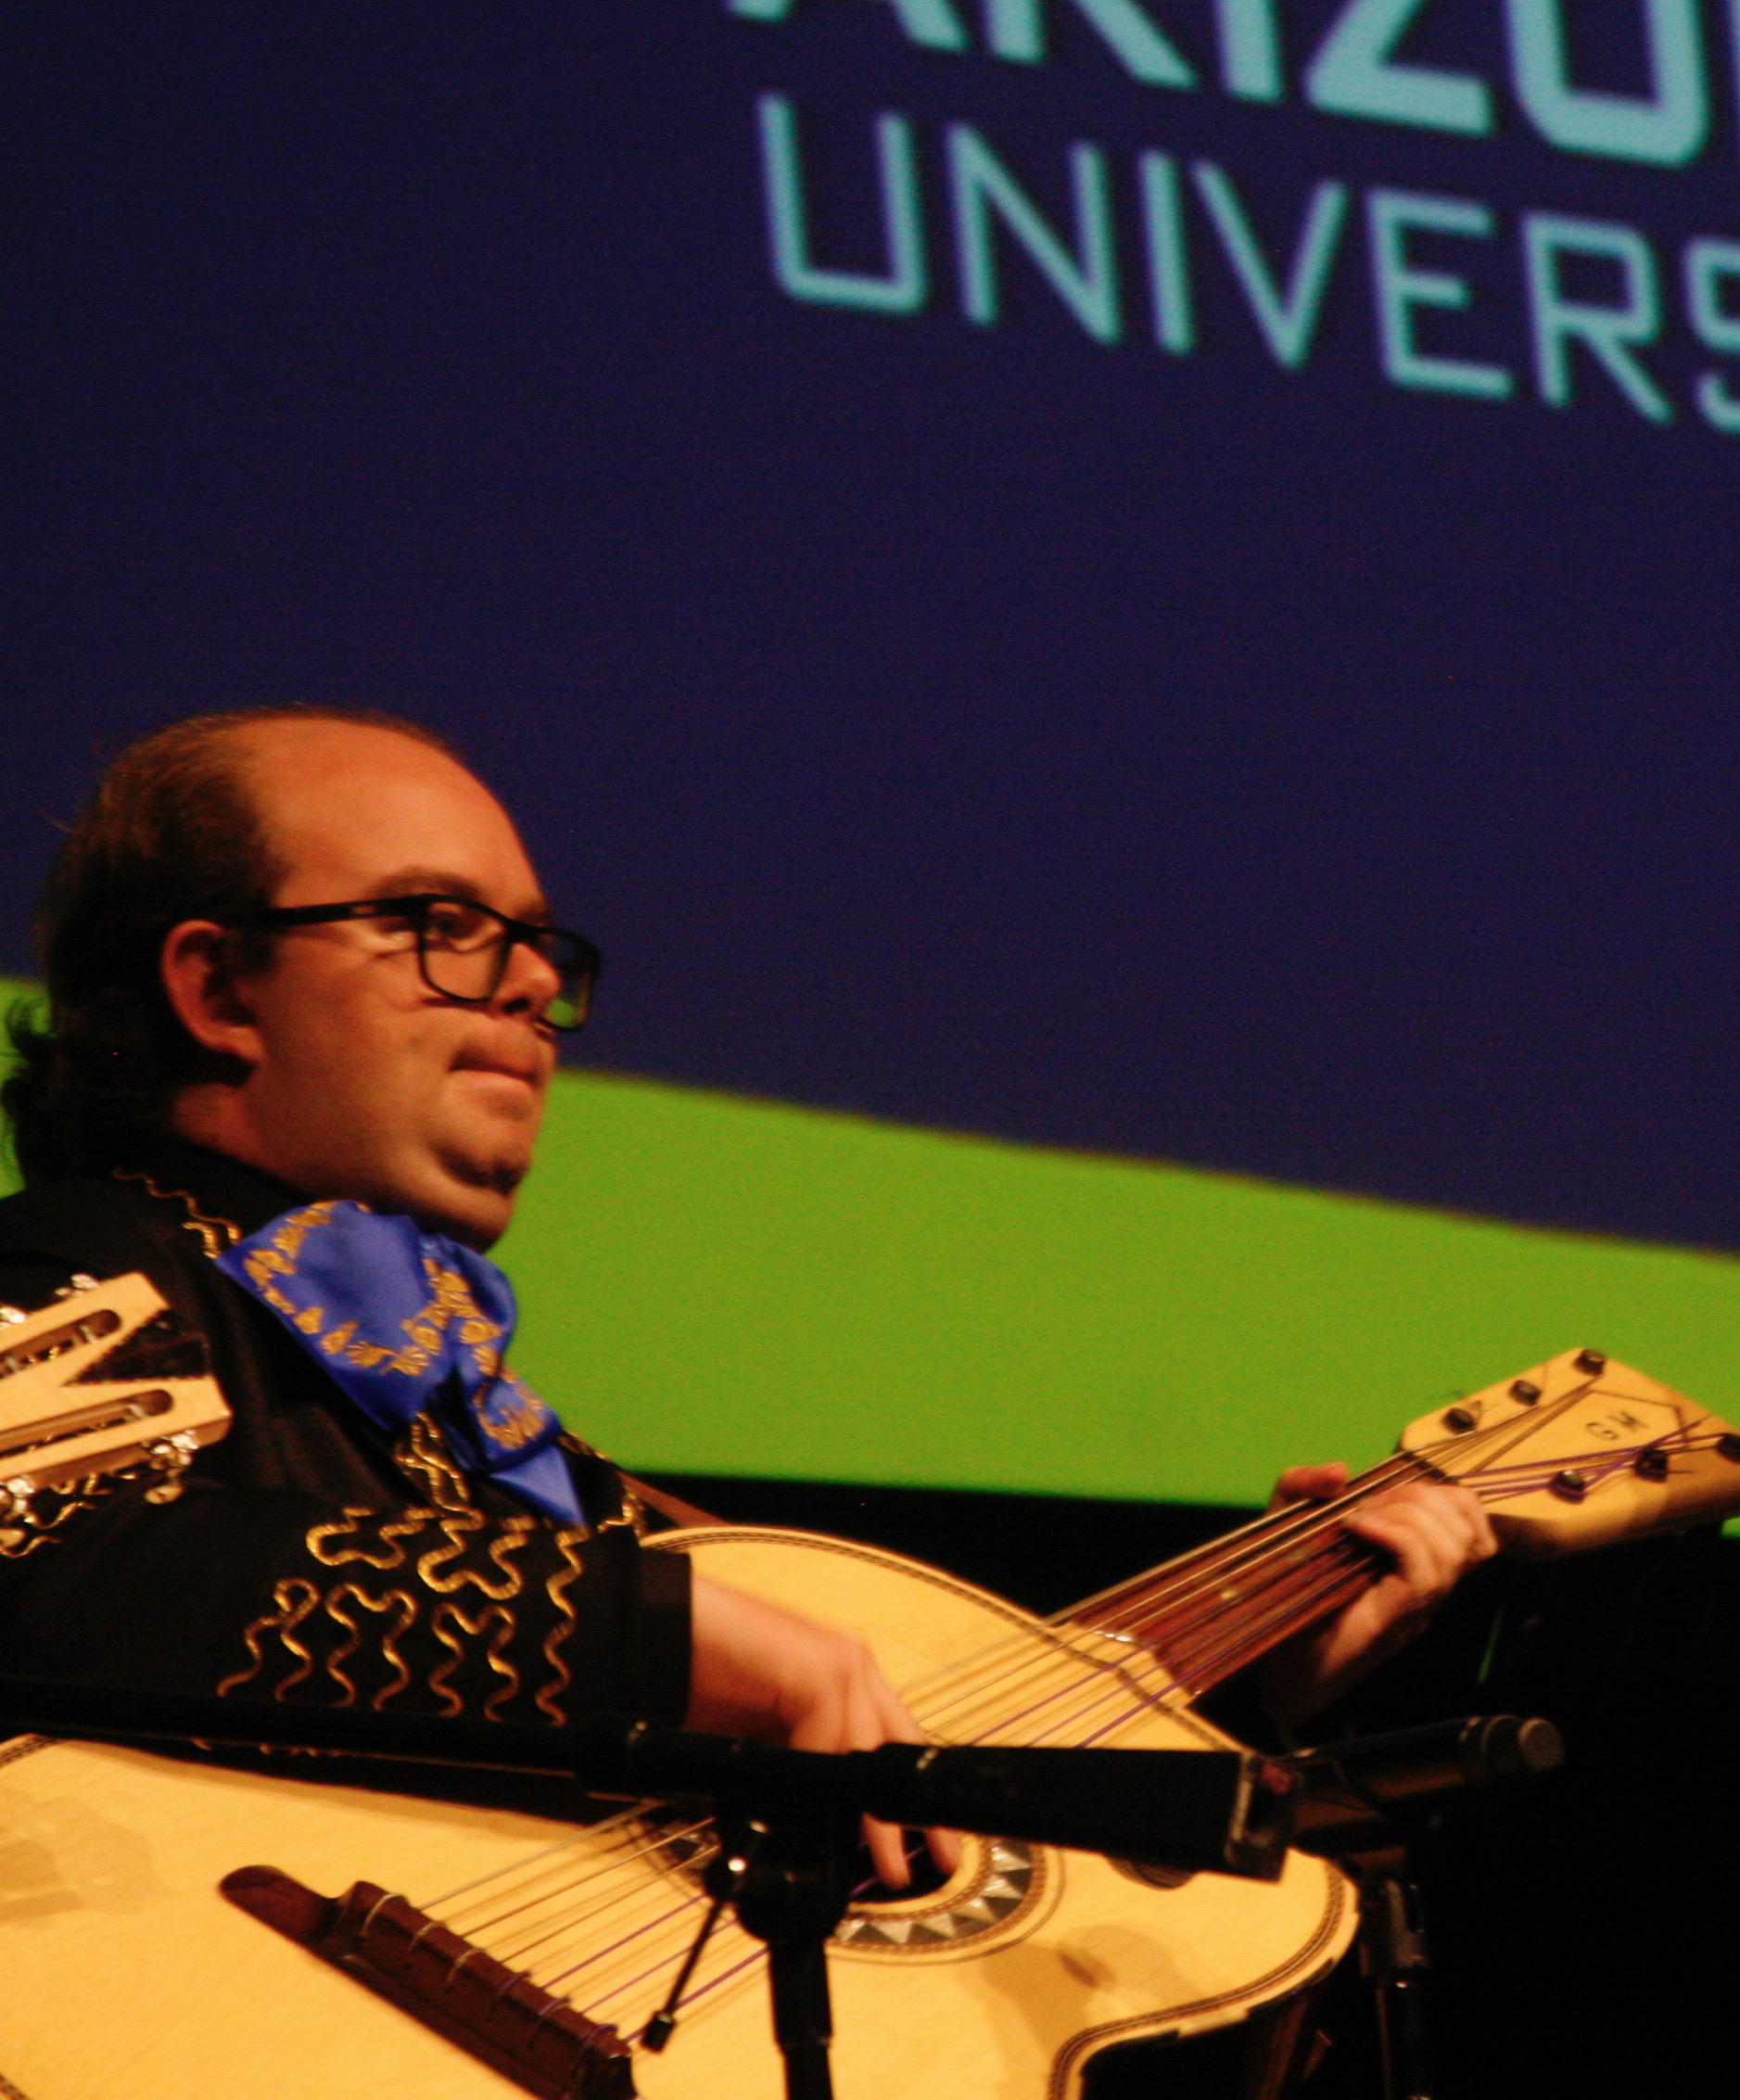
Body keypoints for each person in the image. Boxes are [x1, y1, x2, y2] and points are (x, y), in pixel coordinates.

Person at [0, 707, 1492, 1876]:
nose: (526, 985)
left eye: (534, 944)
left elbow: (904, 1732)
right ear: (216, 989)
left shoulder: (495, 1436)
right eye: (440, 926)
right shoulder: (91, 1270)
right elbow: (43, 1565)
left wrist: (1228, 1678)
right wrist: (663, 1626)